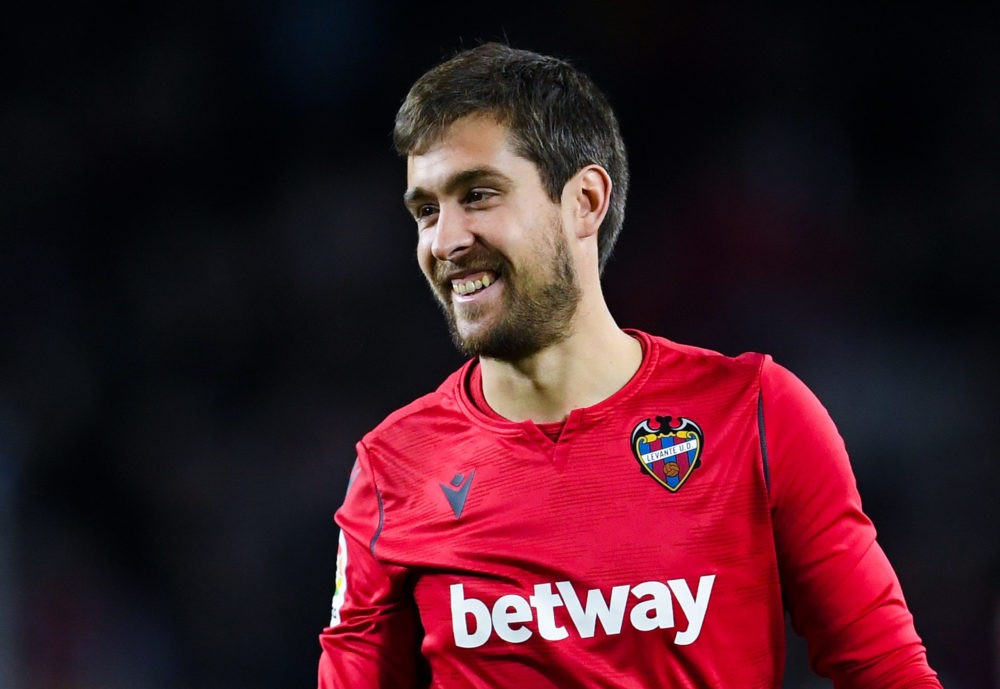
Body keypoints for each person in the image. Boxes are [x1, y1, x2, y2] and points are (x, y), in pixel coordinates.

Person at [317, 43, 941, 688]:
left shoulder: (753, 414)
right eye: (426, 210)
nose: (444, 240)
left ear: (585, 200)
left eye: (478, 195)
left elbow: (886, 670)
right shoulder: (394, 471)